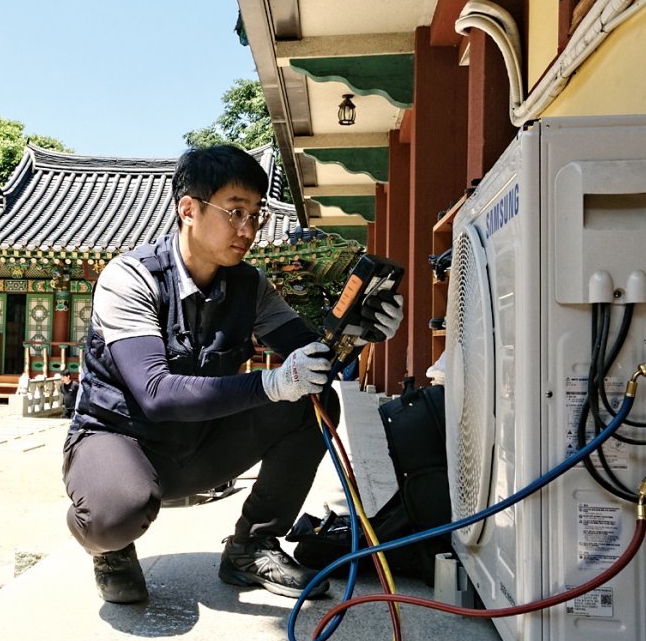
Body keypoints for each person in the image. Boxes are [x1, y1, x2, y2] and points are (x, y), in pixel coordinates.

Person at [61, 145, 403, 605]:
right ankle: (111, 547)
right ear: (189, 209)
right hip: (121, 439)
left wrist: (361, 332)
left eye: (256, 215)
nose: (249, 230)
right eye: (235, 212)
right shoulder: (132, 277)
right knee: (115, 513)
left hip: (201, 446)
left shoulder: (250, 285)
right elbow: (156, 393)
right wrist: (272, 383)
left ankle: (252, 545)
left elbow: (315, 361)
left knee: (311, 405)